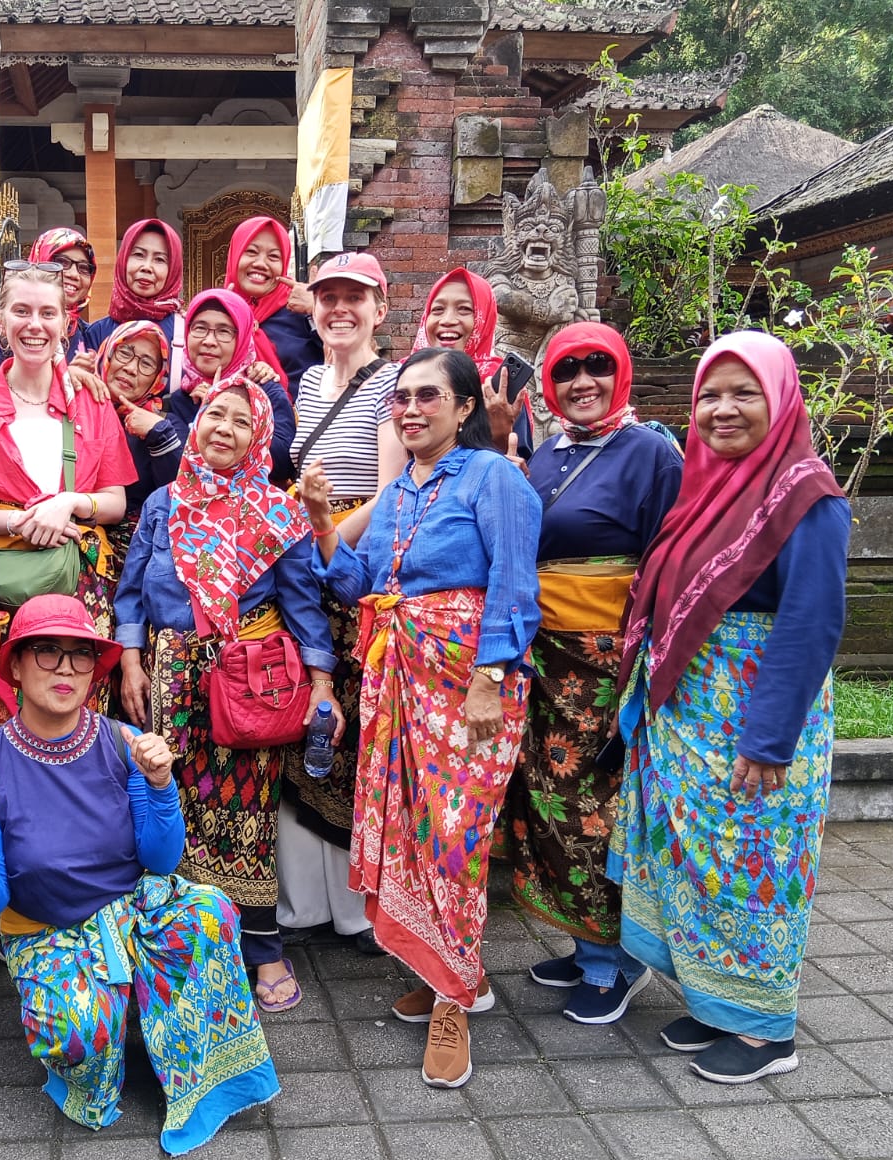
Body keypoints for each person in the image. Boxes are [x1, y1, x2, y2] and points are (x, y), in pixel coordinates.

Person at [0, 594, 280, 1154]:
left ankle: (172, 1040)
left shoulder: (121, 743)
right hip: (47, 931)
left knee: (211, 912)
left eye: (80, 654)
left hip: (133, 908)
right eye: (46, 651)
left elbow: (161, 860)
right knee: (77, 1030)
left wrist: (160, 785)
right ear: (16, 666)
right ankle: (111, 1021)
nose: (65, 668)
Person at [608, 330, 850, 1084]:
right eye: (709, 395)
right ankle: (718, 1004)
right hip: (688, 715)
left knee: (752, 864)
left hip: (754, 720)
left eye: (744, 393)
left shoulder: (808, 497)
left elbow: (811, 622)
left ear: (781, 401)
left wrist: (769, 738)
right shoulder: (706, 489)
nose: (722, 410)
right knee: (695, 860)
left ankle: (764, 1033)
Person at [301, 347, 541, 1088]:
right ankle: (450, 971)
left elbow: (514, 582)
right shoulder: (399, 489)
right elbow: (358, 585)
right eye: (400, 397)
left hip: (469, 679)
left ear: (465, 407)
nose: (410, 409)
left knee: (455, 834)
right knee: (409, 826)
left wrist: (489, 681)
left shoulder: (494, 477)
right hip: (399, 674)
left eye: (428, 396)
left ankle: (452, 1001)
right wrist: (323, 523)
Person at [115, 377, 338, 1013]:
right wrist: (129, 661)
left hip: (247, 679)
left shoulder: (277, 512)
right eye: (217, 414)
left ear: (258, 438)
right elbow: (131, 591)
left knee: (247, 811)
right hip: (168, 679)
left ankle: (261, 946)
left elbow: (303, 604)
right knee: (168, 801)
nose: (225, 429)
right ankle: (177, 943)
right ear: (197, 422)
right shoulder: (163, 504)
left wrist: (321, 684)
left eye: (243, 421)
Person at [499, 322, 682, 1025]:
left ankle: (616, 963)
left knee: (597, 811)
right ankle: (586, 946)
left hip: (607, 664)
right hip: (543, 657)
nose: (582, 382)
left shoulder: (652, 454)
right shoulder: (546, 455)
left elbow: (670, 567)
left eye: (597, 366)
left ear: (621, 372)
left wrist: (648, 664)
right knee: (547, 805)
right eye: (566, 369)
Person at [278, 252, 403, 956]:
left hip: (351, 563)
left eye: (355, 298)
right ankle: (306, 903)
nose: (339, 310)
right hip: (308, 559)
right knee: (309, 724)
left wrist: (322, 538)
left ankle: (359, 910)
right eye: (327, 298)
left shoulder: (392, 384)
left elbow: (387, 495)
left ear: (380, 310)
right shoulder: (307, 381)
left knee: (354, 732)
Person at [0, 263, 134, 648]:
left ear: (65, 323)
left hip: (81, 592)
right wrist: (19, 522)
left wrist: (67, 503)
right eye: (22, 311)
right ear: (0, 321)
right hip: (3, 593)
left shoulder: (92, 402)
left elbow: (115, 502)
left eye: (48, 313)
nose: (35, 325)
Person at [143, 289, 298, 497]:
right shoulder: (179, 400)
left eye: (224, 331)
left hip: (255, 509)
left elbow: (283, 461)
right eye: (200, 328)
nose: (209, 340)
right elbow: (174, 476)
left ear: (242, 338)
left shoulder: (265, 388)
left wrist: (221, 405)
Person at [414, 267, 533, 453]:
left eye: (464, 309)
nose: (447, 320)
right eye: (437, 309)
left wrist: (500, 435)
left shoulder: (497, 386)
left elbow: (521, 461)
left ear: (484, 318)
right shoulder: (404, 377)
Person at [0, 228, 102, 381]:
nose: (74, 274)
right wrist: (63, 378)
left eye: (84, 268)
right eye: (62, 263)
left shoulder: (89, 336)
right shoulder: (0, 334)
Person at [92, 319, 169, 567]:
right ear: (108, 353)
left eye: (146, 364)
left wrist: (159, 435)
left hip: (135, 556)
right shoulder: (71, 402)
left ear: (157, 377)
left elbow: (173, 491)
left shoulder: (161, 422)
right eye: (125, 352)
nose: (131, 369)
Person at [223, 216, 324, 397]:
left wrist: (319, 309)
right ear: (235, 256)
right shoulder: (217, 313)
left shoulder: (301, 311)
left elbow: (347, 359)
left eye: (273, 256)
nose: (261, 264)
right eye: (251, 252)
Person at [80, 218, 185, 362]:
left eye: (160, 259)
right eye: (138, 255)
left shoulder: (186, 332)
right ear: (123, 260)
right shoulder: (97, 333)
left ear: (173, 269)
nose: (147, 267)